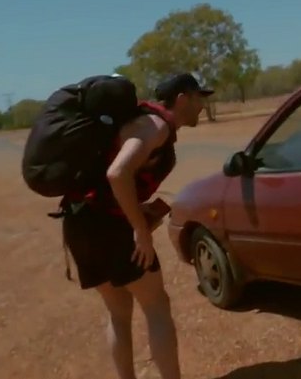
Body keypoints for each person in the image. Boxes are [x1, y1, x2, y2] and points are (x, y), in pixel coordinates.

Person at [60, 72, 213, 379]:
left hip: (79, 223)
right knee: (157, 306)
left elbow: (109, 180)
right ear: (181, 99)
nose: (202, 105)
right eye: (199, 98)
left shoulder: (140, 123)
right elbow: (118, 174)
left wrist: (138, 209)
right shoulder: (156, 126)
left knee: (118, 313)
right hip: (110, 228)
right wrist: (140, 230)